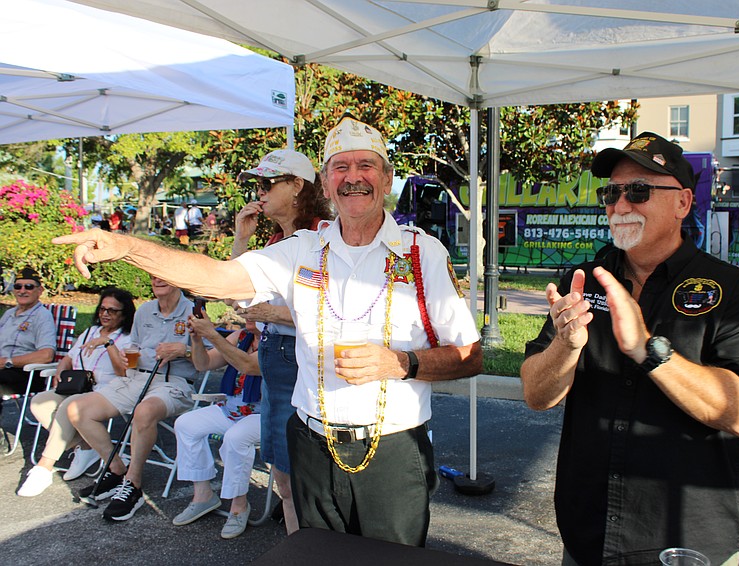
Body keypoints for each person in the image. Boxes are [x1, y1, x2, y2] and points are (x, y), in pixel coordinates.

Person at [53, 115, 483, 547]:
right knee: (320, 555)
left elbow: (470, 357)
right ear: (327, 182)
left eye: (366, 166)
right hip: (311, 441)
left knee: (392, 561)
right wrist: (128, 247)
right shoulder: (300, 250)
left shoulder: (420, 252)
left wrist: (401, 362)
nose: (354, 178)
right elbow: (216, 278)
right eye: (341, 167)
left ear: (387, 178)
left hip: (392, 447)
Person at [521, 132, 739, 566]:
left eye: (639, 190)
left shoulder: (732, 291)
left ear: (682, 202)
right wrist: (566, 346)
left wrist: (648, 351)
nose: (621, 205)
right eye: (611, 192)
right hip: (588, 535)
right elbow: (536, 394)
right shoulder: (582, 282)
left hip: (686, 542)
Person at [230, 148, 332, 533]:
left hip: (301, 357)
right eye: (258, 184)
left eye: (268, 183)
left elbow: (338, 310)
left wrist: (274, 315)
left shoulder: (324, 237)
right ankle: (298, 548)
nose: (260, 191)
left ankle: (312, 548)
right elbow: (236, 291)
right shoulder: (275, 240)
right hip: (275, 355)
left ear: (296, 187)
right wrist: (242, 239)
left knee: (301, 475)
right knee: (282, 473)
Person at [65, 276, 205, 521]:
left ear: (176, 277)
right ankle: (116, 468)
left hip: (174, 384)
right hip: (136, 378)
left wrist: (183, 350)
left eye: (163, 275)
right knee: (78, 409)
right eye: (152, 276)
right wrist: (126, 357)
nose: (157, 280)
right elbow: (136, 349)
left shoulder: (195, 311)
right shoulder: (145, 310)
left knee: (144, 411)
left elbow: (209, 359)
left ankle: (133, 484)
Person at [18, 288, 135, 497]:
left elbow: (124, 371)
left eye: (113, 311)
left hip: (103, 391)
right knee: (39, 402)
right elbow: (70, 357)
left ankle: (44, 466)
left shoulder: (127, 338)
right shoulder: (90, 331)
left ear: (124, 314)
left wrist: (109, 344)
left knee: (68, 407)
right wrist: (61, 371)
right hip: (77, 385)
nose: (105, 314)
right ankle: (86, 444)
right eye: (102, 309)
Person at [172, 311, 262, 539]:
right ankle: (203, 496)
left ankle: (239, 505)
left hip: (263, 414)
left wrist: (212, 335)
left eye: (253, 310)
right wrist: (196, 339)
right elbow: (203, 364)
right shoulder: (241, 336)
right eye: (246, 310)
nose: (246, 313)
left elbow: (249, 365)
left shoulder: (276, 342)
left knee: (235, 438)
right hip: (231, 409)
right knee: (186, 424)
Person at [0, 267, 56, 398]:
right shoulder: (9, 314)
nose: (22, 291)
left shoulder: (42, 316)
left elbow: (46, 355)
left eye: (29, 287)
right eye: (18, 286)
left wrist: (8, 361)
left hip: (25, 374)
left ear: (40, 291)